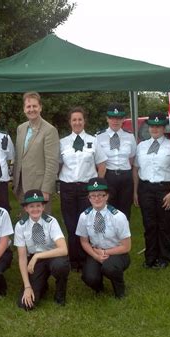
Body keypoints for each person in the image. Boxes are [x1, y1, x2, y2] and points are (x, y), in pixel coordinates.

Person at [59, 106, 107, 271]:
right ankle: (73, 260)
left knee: (86, 225)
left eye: (80, 119)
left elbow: (101, 165)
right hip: (68, 188)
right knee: (71, 225)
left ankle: (86, 258)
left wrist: (97, 188)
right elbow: (58, 165)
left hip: (87, 189)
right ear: (70, 122)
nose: (77, 122)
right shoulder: (62, 142)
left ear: (84, 121)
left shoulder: (94, 141)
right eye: (74, 120)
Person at [132, 112, 170, 269]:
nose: (155, 129)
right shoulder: (141, 146)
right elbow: (136, 169)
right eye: (152, 126)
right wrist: (135, 191)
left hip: (165, 189)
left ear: (164, 127)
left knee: (165, 225)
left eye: (158, 126)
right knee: (149, 225)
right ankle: (150, 257)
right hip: (146, 188)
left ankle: (164, 258)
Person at [14, 190, 70, 310]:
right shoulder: (20, 226)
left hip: (53, 257)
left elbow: (63, 249)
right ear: (26, 208)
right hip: (35, 263)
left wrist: (37, 256)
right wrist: (27, 286)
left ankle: (60, 294)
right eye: (31, 206)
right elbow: (22, 257)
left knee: (60, 265)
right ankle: (41, 284)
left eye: (38, 205)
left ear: (43, 206)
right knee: (26, 305)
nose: (35, 209)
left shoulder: (51, 222)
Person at [76, 178, 131, 298]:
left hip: (117, 253)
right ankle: (99, 286)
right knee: (89, 277)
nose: (97, 198)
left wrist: (105, 252)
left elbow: (126, 247)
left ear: (107, 196)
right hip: (95, 251)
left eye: (101, 195)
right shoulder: (84, 216)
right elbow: (84, 241)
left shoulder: (118, 217)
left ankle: (119, 290)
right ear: (89, 198)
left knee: (110, 267)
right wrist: (96, 255)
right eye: (93, 196)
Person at [13, 92, 59, 214]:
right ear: (24, 109)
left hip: (39, 187)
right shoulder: (21, 128)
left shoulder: (49, 130)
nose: (31, 109)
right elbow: (19, 157)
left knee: (40, 223)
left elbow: (52, 163)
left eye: (34, 106)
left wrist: (46, 189)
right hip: (21, 185)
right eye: (28, 107)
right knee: (24, 222)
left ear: (40, 107)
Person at [96, 103, 137, 220]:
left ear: (123, 119)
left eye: (119, 118)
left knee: (124, 212)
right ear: (107, 118)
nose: (115, 121)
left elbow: (132, 157)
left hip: (125, 177)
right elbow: (98, 160)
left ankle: (123, 237)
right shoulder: (99, 137)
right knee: (108, 210)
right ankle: (108, 237)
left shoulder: (130, 137)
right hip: (109, 176)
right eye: (112, 118)